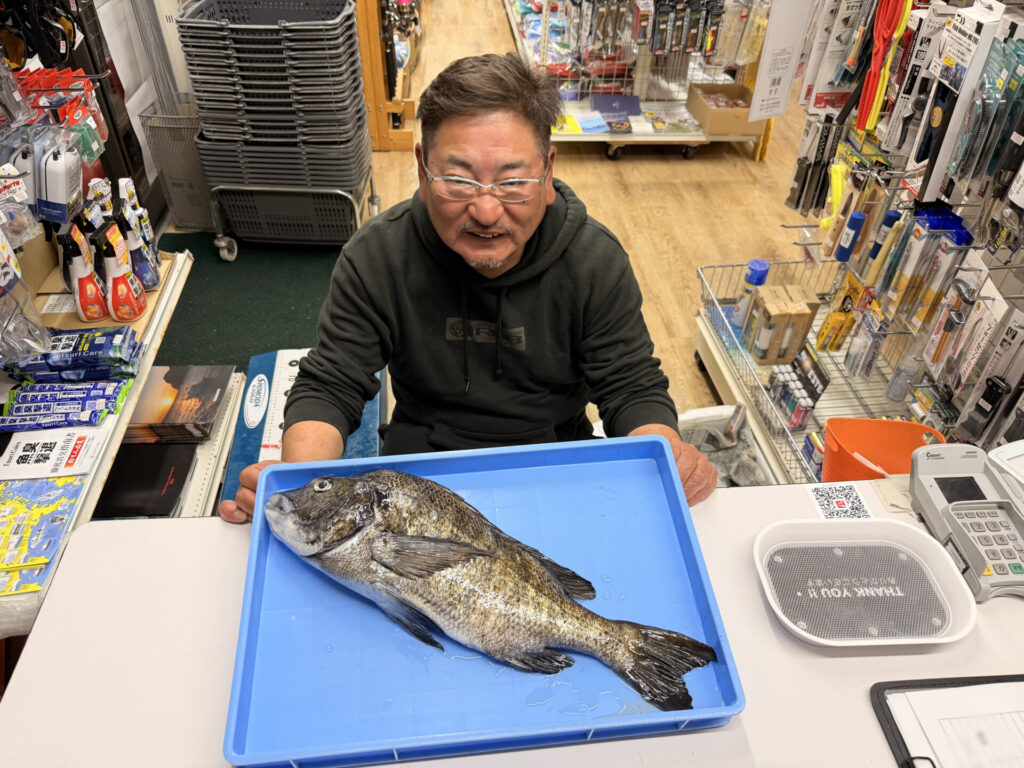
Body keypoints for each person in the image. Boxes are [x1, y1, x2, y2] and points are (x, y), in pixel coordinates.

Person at [219, 53, 716, 523]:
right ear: (422, 169)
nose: (486, 211)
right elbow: (332, 383)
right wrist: (299, 480)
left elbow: (630, 386)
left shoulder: (594, 261)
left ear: (548, 172)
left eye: (512, 181)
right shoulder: (377, 256)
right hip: (418, 473)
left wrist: (666, 451)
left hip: (557, 463)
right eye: (458, 180)